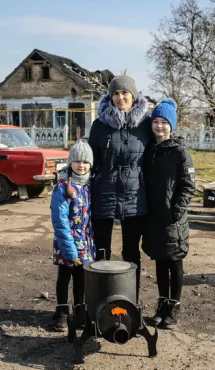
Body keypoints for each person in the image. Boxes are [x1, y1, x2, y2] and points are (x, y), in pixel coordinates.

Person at [88, 75, 151, 300]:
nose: (120, 97)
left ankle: (130, 299)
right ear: (110, 96)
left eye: (124, 93)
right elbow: (89, 159)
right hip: (104, 192)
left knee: (131, 252)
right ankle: (101, 299)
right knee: (102, 250)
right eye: (115, 93)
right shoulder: (99, 125)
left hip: (136, 196)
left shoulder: (146, 124)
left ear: (133, 96)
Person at [142, 99, 195, 329]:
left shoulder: (180, 151)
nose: (159, 126)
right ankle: (161, 305)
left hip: (172, 218)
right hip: (153, 216)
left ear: (171, 125)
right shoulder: (149, 149)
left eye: (164, 122)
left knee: (174, 261)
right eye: (155, 121)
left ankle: (174, 308)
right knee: (160, 262)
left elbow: (188, 185)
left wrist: (176, 211)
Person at [50, 140, 95, 331]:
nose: (81, 165)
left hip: (85, 243)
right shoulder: (62, 187)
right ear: (70, 163)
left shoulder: (89, 186)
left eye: (85, 162)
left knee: (81, 277)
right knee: (64, 276)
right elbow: (59, 221)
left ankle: (79, 309)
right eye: (77, 161)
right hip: (66, 242)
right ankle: (61, 311)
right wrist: (68, 248)